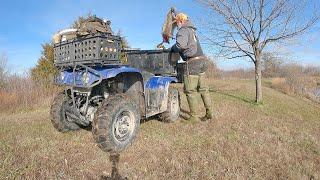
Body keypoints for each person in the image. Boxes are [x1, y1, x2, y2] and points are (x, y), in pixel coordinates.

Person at [171, 13, 214, 122]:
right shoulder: (192, 30)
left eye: (177, 23)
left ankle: (194, 117)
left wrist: (172, 48)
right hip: (202, 61)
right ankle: (209, 112)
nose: (176, 25)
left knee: (190, 90)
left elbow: (180, 45)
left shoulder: (183, 30)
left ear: (181, 21)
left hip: (193, 62)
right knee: (204, 89)